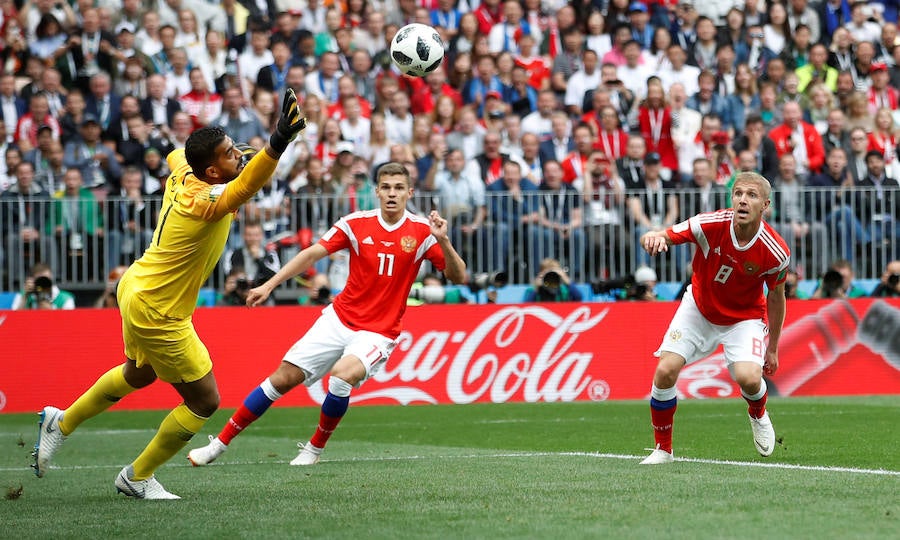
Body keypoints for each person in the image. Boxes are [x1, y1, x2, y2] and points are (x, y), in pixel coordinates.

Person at [32, 90, 308, 499]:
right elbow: (246, 186)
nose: (239, 157)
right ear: (212, 173)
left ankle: (62, 422)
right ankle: (137, 476)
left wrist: (223, 153)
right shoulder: (207, 201)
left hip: (137, 284)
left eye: (236, 149)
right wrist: (277, 141)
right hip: (159, 307)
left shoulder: (186, 170)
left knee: (139, 373)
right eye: (230, 155)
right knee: (205, 400)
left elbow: (177, 155)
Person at [187, 162, 466, 467]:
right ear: (376, 191)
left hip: (378, 332)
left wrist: (444, 241)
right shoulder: (356, 223)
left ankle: (313, 449)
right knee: (281, 379)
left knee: (341, 377)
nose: (391, 194)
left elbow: (458, 276)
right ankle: (220, 443)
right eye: (386, 187)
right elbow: (311, 254)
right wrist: (268, 285)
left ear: (409, 192)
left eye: (399, 188)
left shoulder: (423, 232)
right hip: (339, 318)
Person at [638, 171, 790, 464]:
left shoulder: (776, 251)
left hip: (743, 318)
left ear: (765, 205)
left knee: (748, 377)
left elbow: (776, 297)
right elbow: (666, 235)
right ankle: (663, 449)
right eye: (738, 194)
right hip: (699, 307)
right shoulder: (709, 224)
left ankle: (758, 413)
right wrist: (652, 237)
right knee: (665, 371)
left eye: (751, 195)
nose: (743, 200)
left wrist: (772, 347)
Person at [11, 262, 75, 310]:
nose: (43, 283)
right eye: (40, 280)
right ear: (33, 281)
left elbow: (69, 321)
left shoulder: (65, 298)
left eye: (46, 279)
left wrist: (44, 301)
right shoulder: (24, 295)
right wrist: (25, 296)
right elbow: (13, 319)